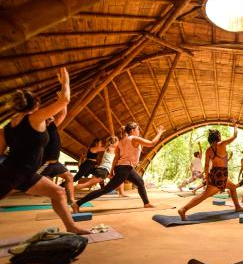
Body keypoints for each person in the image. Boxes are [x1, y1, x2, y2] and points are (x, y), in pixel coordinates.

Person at [0, 68, 89, 234]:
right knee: (58, 192)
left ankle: (72, 227)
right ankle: (72, 226)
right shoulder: (35, 118)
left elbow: (1, 152)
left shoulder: (7, 128)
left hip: (25, 174)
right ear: (36, 104)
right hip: (14, 174)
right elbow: (65, 100)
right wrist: (65, 83)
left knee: (58, 192)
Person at [72, 122, 165, 213]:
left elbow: (116, 158)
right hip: (125, 169)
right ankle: (77, 204)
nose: (138, 131)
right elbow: (152, 143)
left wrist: (112, 171)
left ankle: (146, 203)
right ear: (132, 130)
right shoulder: (134, 138)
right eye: (137, 129)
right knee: (105, 190)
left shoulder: (121, 142)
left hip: (124, 168)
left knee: (140, 182)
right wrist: (159, 133)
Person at [178, 122, 243, 220]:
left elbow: (206, 165)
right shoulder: (222, 144)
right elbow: (235, 136)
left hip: (215, 173)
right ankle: (183, 209)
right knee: (204, 195)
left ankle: (238, 207)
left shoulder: (208, 150)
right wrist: (235, 126)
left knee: (232, 187)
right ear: (218, 136)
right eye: (220, 135)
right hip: (220, 175)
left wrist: (207, 177)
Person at [36, 105, 77, 204]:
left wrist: (63, 103)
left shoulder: (52, 128)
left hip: (55, 164)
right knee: (22, 182)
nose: (52, 119)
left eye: (51, 118)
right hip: (44, 164)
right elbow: (63, 114)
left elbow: (62, 114)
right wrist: (63, 102)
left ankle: (71, 200)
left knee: (69, 177)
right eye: (49, 118)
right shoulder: (43, 129)